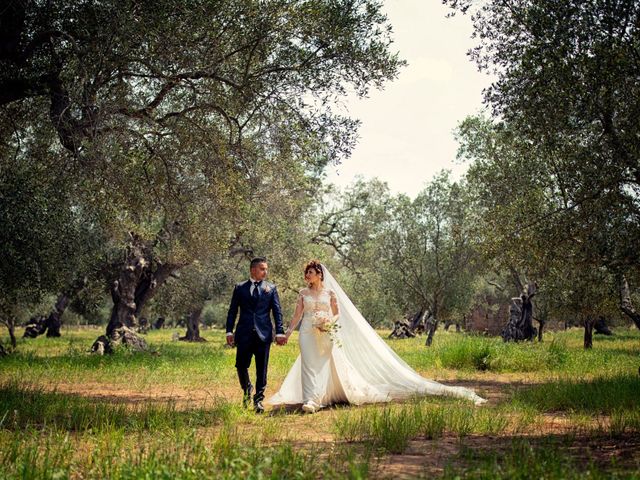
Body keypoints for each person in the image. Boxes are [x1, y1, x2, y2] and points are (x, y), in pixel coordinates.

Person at [267, 260, 486, 413]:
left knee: (322, 365)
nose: (307, 276)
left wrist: (328, 324)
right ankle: (310, 400)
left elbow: (337, 314)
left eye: (311, 272)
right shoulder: (303, 294)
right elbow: (297, 315)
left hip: (325, 332)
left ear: (320, 275)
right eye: (306, 273)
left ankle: (319, 397)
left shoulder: (330, 293)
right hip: (306, 331)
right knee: (308, 364)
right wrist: (286, 332)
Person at [226, 257, 286, 413]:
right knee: (241, 365)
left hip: (264, 334)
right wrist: (229, 330)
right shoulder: (239, 288)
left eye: (266, 269)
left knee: (262, 369)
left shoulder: (271, 288)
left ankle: (258, 400)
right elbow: (232, 311)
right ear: (253, 270)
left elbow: (277, 311)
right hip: (244, 333)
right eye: (262, 269)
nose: (265, 272)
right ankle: (247, 389)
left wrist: (279, 332)